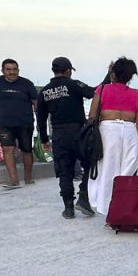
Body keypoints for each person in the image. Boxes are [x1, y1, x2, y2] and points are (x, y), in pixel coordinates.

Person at [86, 57, 138, 218]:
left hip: (107, 131)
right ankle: (121, 210)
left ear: (113, 73)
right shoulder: (137, 95)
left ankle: (106, 209)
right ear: (131, 76)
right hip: (130, 132)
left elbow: (92, 117)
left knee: (106, 170)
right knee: (126, 173)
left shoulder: (102, 90)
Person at [38, 56, 96, 218]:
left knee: (64, 171)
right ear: (69, 71)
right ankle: (83, 195)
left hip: (58, 134)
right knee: (90, 163)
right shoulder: (73, 84)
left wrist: (44, 140)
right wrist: (108, 75)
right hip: (78, 132)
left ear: (53, 71)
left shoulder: (44, 91)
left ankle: (68, 208)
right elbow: (94, 92)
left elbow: (40, 119)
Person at [0, 58, 40, 190]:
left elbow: (35, 103)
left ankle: (28, 178)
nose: (12, 72)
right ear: (3, 70)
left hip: (25, 123)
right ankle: (13, 180)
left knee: (26, 150)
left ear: (18, 70)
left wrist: (40, 121)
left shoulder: (26, 84)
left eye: (14, 69)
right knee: (7, 149)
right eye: (9, 69)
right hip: (4, 123)